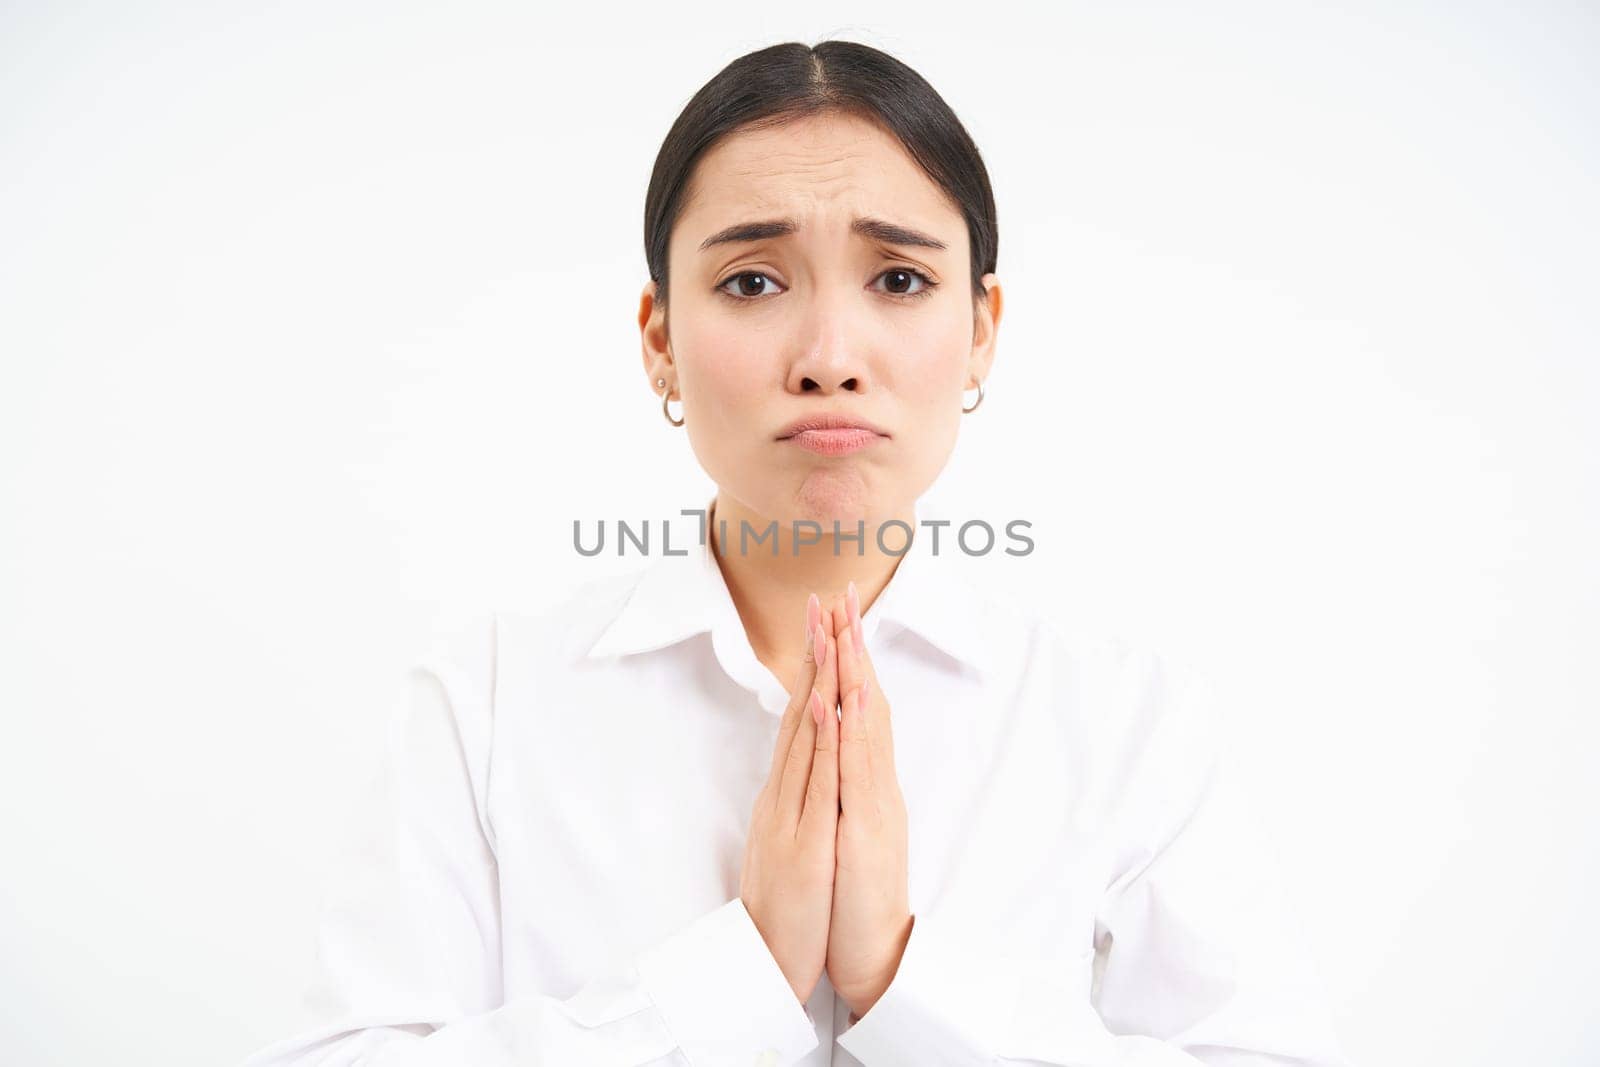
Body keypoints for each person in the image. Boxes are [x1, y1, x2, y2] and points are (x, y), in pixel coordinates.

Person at [240, 39, 1350, 1067]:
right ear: (660, 340)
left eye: (900, 280)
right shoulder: (485, 705)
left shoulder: (1117, 718)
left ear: (980, 329)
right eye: (752, 281)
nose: (827, 356)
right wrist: (737, 973)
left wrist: (903, 977)